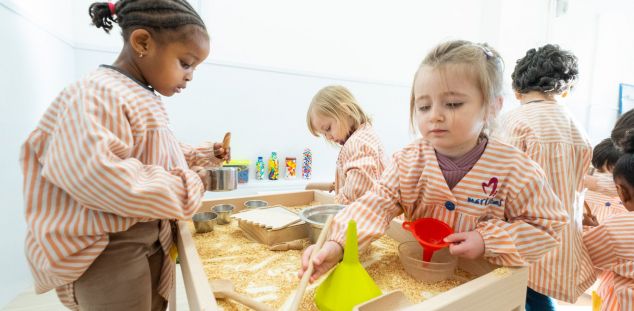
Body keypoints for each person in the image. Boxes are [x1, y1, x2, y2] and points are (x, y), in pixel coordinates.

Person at [298, 40, 568, 288]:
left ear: (492, 107)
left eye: (452, 103)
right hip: (422, 282)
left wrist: (488, 240)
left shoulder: (515, 169)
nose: (435, 116)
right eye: (424, 107)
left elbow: (546, 226)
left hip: (482, 288)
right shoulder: (408, 161)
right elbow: (374, 204)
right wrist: (337, 243)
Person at [20, 1, 226, 310]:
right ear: (142, 42)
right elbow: (102, 177)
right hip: (109, 247)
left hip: (151, 235)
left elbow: (155, 153)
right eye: (185, 63)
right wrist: (191, 184)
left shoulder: (140, 93)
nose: (190, 76)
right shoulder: (97, 92)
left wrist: (204, 154)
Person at [497, 44, 595, 308]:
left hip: (524, 231)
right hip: (563, 233)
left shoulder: (514, 121)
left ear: (518, 90)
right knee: (539, 294)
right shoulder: (579, 129)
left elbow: (499, 177)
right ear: (566, 88)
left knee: (520, 294)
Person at [305, 85, 387, 205]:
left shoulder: (357, 144)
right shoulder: (365, 133)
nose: (328, 137)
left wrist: (336, 204)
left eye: (328, 128)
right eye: (323, 134)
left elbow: (357, 192)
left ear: (345, 110)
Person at [583, 130, 634, 311]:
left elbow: (584, 250)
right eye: (597, 171)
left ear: (622, 190)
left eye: (608, 174)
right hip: (604, 287)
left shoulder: (620, 224)